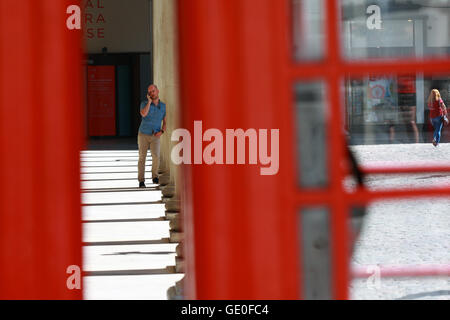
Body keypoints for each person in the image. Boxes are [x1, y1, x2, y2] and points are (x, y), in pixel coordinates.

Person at [138, 84, 167, 187]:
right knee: (142, 157)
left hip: (155, 135)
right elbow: (143, 114)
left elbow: (165, 122)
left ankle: (155, 176)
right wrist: (149, 102)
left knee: (156, 156)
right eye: (149, 92)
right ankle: (141, 180)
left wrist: (162, 132)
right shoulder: (144, 104)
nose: (151, 93)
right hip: (143, 134)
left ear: (157, 91)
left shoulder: (163, 106)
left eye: (153, 91)